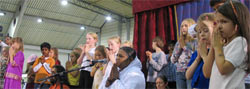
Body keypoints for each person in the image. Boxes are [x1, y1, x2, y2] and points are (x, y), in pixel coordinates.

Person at [203, 1, 250, 89]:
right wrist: (213, 46)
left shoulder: (240, 42)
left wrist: (217, 47)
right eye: (217, 22)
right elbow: (207, 73)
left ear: (237, 24)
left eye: (224, 22)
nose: (219, 26)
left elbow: (223, 69)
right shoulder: (222, 45)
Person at [186, 13, 215, 89]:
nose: (202, 34)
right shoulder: (197, 52)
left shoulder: (216, 51)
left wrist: (204, 56)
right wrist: (198, 58)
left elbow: (213, 72)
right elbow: (188, 75)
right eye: (199, 32)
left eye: (206, 30)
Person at [171, 18, 196, 89]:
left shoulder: (194, 41)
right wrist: (179, 48)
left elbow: (196, 56)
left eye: (186, 26)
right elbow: (173, 60)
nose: (183, 28)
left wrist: (184, 47)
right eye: (182, 26)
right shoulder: (179, 42)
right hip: (179, 73)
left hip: (191, 71)